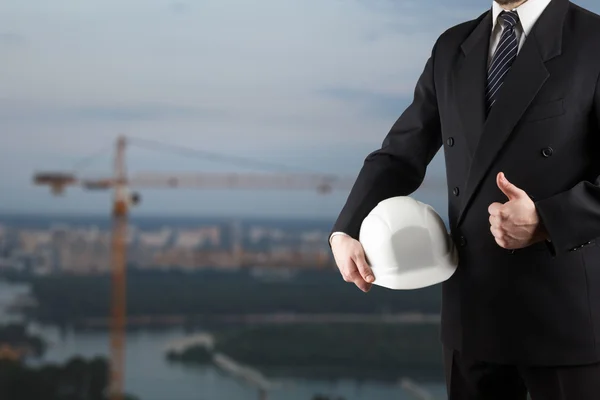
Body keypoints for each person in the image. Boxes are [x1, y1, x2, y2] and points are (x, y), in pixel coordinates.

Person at [329, 0, 600, 398]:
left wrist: (547, 220)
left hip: (566, 318)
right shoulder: (451, 47)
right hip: (471, 313)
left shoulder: (593, 41)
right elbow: (401, 154)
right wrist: (346, 230)